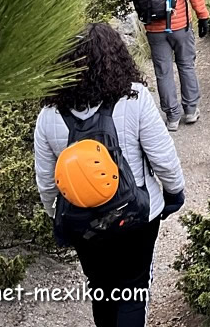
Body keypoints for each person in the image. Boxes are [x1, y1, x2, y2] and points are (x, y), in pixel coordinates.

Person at [34, 23, 186, 327]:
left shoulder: (48, 115)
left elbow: (47, 182)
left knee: (101, 288)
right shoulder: (135, 98)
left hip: (82, 223)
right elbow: (163, 158)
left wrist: (57, 217)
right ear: (116, 57)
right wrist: (174, 193)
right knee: (133, 288)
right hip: (136, 216)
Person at [127, 0, 210, 130]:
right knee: (186, 64)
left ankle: (172, 117)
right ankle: (191, 110)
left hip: (153, 28)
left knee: (162, 71)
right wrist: (203, 16)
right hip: (179, 25)